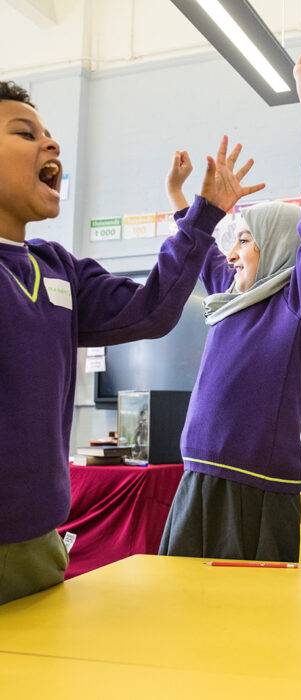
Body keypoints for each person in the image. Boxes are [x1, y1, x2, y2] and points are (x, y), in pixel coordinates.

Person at [0, 81, 247, 604]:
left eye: (50, 135)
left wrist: (203, 215)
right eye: (25, 133)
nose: (52, 146)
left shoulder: (57, 268)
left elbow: (153, 309)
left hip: (39, 541)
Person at [159, 47, 301, 563]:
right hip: (197, 479)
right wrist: (181, 196)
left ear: (280, 249)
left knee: (248, 627)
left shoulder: (298, 307)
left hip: (256, 492)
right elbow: (200, 252)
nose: (231, 252)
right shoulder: (231, 298)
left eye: (245, 239)